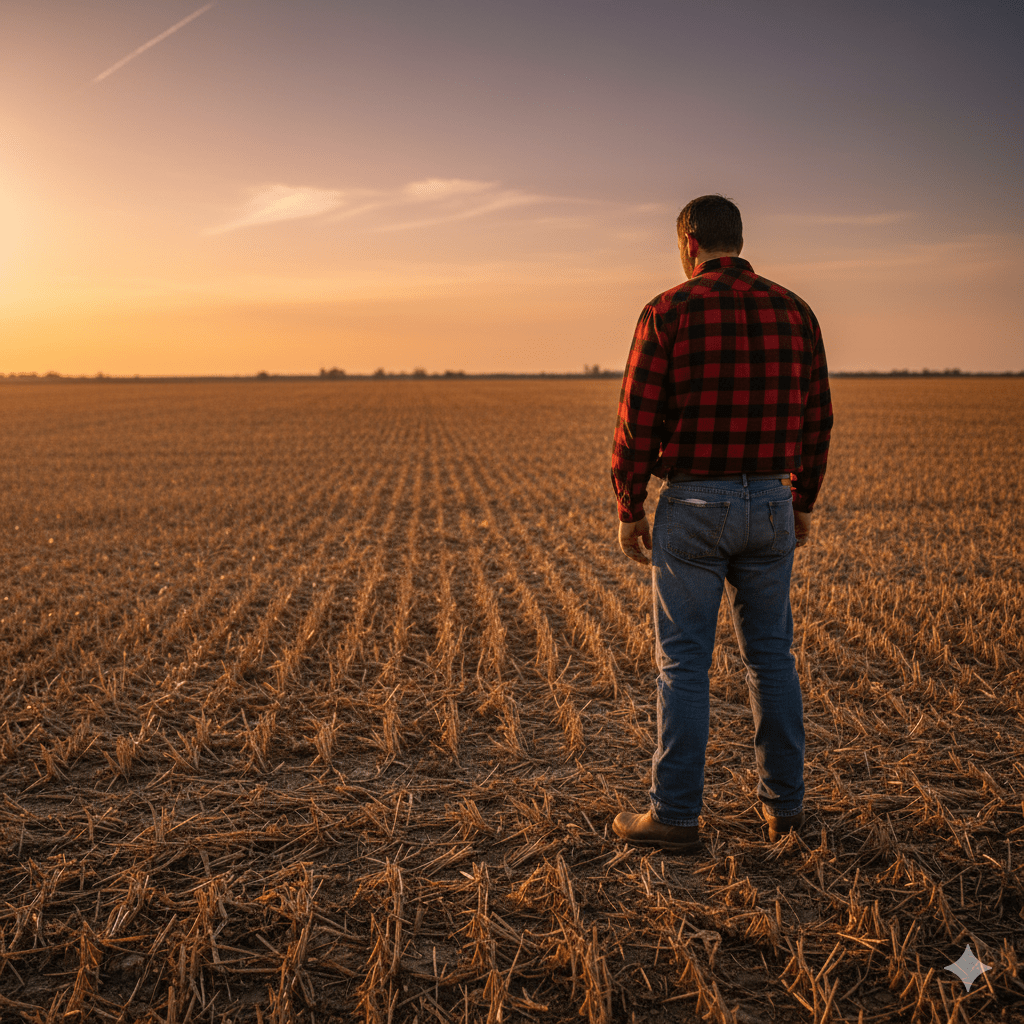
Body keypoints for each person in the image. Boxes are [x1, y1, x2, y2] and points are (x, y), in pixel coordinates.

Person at [610, 194, 832, 854]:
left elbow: (636, 421)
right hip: (770, 502)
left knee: (683, 665)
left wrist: (629, 505)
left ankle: (675, 816)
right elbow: (817, 417)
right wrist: (802, 501)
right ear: (738, 239)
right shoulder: (795, 310)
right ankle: (785, 810)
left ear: (689, 244)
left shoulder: (667, 311)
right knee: (771, 658)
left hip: (694, 506)